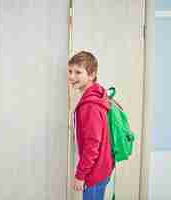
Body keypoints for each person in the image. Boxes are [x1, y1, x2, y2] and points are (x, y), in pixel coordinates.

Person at [67, 51, 114, 200]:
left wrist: (80, 175)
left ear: (92, 74)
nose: (72, 76)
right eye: (70, 71)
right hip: (102, 168)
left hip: (95, 173)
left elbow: (92, 145)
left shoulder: (90, 106)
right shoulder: (98, 95)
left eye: (78, 72)